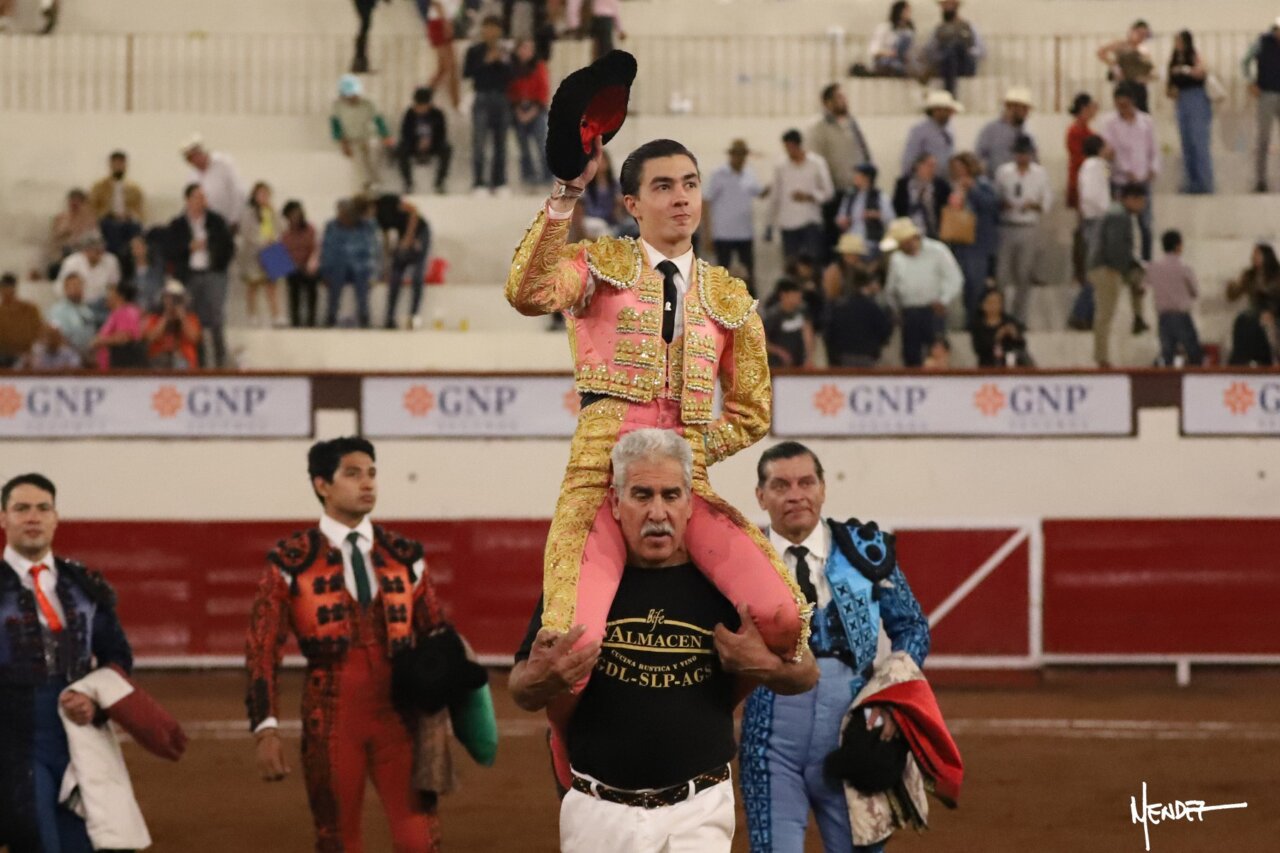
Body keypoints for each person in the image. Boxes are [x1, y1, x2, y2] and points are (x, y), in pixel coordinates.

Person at [505, 135, 808, 789]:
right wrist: (564, 197)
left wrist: (692, 450)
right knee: (572, 647)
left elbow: (753, 412)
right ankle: (570, 742)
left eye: (691, 183)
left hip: (686, 484)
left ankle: (704, 719)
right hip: (599, 479)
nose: (681, 197)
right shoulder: (598, 265)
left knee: (783, 618)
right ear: (633, 203)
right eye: (665, 185)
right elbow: (527, 292)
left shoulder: (729, 297)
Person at [509, 429, 819, 853]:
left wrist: (762, 664)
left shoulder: (724, 588)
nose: (658, 512)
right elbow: (521, 690)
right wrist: (545, 677)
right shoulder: (580, 587)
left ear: (691, 503)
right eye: (642, 495)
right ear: (615, 504)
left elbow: (806, 673)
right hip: (599, 814)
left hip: (699, 810)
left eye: (671, 495)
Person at [246, 437, 455, 852]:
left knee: (420, 840)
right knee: (338, 838)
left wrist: (449, 710)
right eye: (353, 474)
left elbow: (437, 636)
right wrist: (264, 726)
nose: (367, 484)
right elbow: (263, 648)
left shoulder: (405, 554)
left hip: (401, 715)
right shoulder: (289, 560)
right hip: (330, 716)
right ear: (322, 484)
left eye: (372, 474)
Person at [740, 442, 929, 853]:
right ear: (760, 495)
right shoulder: (740, 557)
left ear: (823, 488)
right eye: (780, 485)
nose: (795, 494)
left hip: (851, 733)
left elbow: (912, 625)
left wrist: (893, 698)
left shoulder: (865, 551)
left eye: (806, 482)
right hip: (768, 740)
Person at [0, 473, 135, 853]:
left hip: (81, 735)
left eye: (43, 508)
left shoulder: (84, 583)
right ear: (3, 519)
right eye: (21, 508)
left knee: (91, 842)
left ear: (56, 517)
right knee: (36, 839)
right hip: (12, 740)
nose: (33, 517)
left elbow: (118, 656)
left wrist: (95, 702)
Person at [166, 183, 235, 367]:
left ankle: (221, 362)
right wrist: (189, 248)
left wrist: (210, 248)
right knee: (192, 319)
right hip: (189, 276)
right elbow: (170, 250)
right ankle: (198, 362)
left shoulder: (216, 221)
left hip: (212, 274)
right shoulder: (178, 224)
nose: (201, 201)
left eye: (203, 197)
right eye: (197, 197)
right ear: (188, 200)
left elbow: (227, 247)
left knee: (216, 318)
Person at [883, 216, 962, 367]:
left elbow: (955, 278)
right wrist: (894, 308)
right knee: (910, 356)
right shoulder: (897, 258)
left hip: (933, 310)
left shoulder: (938, 251)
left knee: (936, 353)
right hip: (909, 312)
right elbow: (891, 289)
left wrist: (943, 300)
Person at [809, 83, 874, 262]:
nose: (844, 101)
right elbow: (816, 163)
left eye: (844, 97)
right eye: (839, 98)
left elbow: (863, 152)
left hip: (857, 191)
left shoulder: (851, 123)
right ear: (827, 102)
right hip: (835, 194)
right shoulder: (819, 128)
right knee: (834, 243)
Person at [1086, 182, 1149, 368]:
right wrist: (1119, 268)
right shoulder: (1119, 216)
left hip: (1110, 265)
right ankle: (1101, 357)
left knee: (1138, 278)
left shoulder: (1118, 213)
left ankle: (1138, 317)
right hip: (1108, 268)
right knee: (1105, 314)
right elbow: (1115, 246)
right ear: (1131, 199)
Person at [994, 135, 1052, 324]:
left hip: (1028, 225)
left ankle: (1019, 318)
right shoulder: (1004, 172)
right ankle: (1000, 315)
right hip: (1006, 225)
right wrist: (1005, 204)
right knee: (1001, 275)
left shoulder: (1040, 173)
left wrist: (1033, 205)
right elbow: (995, 198)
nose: (1022, 157)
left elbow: (1047, 202)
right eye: (1019, 153)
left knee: (1023, 275)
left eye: (1025, 153)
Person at [1100, 82, 1158, 261]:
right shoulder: (1110, 123)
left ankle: (1146, 263)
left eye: (1125, 105)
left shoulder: (1146, 122)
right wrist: (1126, 170)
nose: (1122, 109)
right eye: (1119, 105)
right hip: (1121, 181)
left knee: (1146, 225)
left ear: (1132, 102)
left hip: (1142, 180)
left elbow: (1153, 149)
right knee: (1120, 224)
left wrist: (1152, 169)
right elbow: (1111, 151)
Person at [822, 234, 893, 367]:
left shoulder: (861, 269)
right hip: (841, 317)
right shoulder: (834, 272)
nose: (855, 257)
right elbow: (830, 298)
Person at [705, 139, 766, 291]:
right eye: (737, 155)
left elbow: (759, 192)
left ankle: (750, 307)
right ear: (731, 155)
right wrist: (707, 233)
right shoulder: (718, 174)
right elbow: (706, 201)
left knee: (749, 274)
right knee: (722, 276)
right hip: (723, 234)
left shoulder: (749, 174)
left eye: (743, 155)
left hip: (745, 233)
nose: (740, 159)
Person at [463, 15, 514, 195]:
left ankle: (499, 182)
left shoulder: (506, 51)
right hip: (482, 97)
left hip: (501, 98)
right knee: (479, 142)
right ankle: (478, 182)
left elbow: (513, 75)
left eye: (494, 28)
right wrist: (486, 61)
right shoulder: (474, 51)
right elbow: (467, 73)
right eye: (487, 28)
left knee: (501, 142)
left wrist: (502, 61)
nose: (491, 32)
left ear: (500, 31)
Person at [946, 151, 999, 321]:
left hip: (978, 242)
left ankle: (975, 320)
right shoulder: (953, 186)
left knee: (976, 283)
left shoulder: (982, 184)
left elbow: (991, 205)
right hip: (959, 241)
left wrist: (973, 189)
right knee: (964, 283)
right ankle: (968, 317)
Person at [768, 129, 835, 265]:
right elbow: (775, 196)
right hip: (787, 222)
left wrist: (809, 196)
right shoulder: (781, 167)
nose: (789, 151)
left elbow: (829, 192)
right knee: (791, 263)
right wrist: (770, 223)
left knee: (813, 262)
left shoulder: (817, 163)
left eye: (791, 147)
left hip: (810, 220)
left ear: (798, 145)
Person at [1069, 134, 1113, 331]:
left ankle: (1088, 315)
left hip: (1093, 220)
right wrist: (1107, 211)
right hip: (1097, 221)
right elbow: (1092, 195)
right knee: (1096, 273)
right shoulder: (1096, 165)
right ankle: (1080, 313)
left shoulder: (1090, 166)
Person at [371, 193, 432, 329]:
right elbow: (386, 238)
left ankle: (414, 317)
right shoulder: (377, 218)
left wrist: (408, 238)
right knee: (395, 276)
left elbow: (414, 211)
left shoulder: (387, 201)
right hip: (403, 238)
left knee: (417, 275)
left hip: (420, 232)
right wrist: (387, 266)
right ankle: (389, 317)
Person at [1144, 230, 1202, 366]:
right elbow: (1195, 292)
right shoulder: (1184, 267)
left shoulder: (1154, 267)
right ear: (1178, 246)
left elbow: (1142, 287)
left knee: (1167, 355)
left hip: (1163, 317)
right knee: (1193, 353)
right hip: (1181, 316)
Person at [320, 197, 380, 328]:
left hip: (360, 266)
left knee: (362, 275)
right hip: (338, 265)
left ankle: (364, 316)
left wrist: (374, 273)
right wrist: (325, 271)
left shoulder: (367, 226)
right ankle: (331, 315)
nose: (342, 217)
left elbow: (373, 251)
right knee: (336, 274)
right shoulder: (331, 226)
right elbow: (327, 251)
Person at [1168, 30, 1214, 195]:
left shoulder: (1193, 55)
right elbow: (1171, 80)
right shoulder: (1174, 58)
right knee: (1186, 142)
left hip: (1196, 97)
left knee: (1199, 141)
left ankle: (1205, 182)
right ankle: (1191, 181)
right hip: (1181, 99)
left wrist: (1184, 69)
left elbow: (1200, 72)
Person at [89, 150, 146, 278]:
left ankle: (130, 265)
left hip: (128, 222)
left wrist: (129, 214)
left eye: (121, 163)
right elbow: (92, 209)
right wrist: (110, 214)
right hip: (107, 221)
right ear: (110, 165)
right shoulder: (99, 186)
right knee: (112, 228)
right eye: (116, 163)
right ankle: (117, 262)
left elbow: (141, 211)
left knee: (135, 229)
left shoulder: (134, 189)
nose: (118, 166)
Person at [331, 74, 395, 190]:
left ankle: (376, 181)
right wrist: (342, 142)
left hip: (369, 137)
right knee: (358, 156)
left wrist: (386, 136)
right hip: (352, 139)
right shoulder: (337, 106)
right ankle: (368, 182)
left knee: (374, 150)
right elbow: (335, 126)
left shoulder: (368, 104)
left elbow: (378, 120)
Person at [1066, 93, 1099, 298]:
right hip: (1080, 184)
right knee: (1081, 231)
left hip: (1085, 182)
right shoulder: (1075, 131)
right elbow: (1078, 157)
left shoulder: (1086, 131)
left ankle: (1084, 270)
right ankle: (1079, 271)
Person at [240, 181, 287, 327]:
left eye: (267, 194)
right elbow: (246, 232)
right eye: (261, 194)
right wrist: (261, 242)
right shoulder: (248, 212)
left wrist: (274, 212)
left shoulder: (273, 211)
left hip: (272, 248)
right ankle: (252, 315)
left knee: (272, 285)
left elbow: (283, 227)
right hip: (254, 250)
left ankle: (276, 315)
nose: (264, 197)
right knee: (253, 285)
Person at [1225, 243, 1280, 366]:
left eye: (1257, 254)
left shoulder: (1277, 275)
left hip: (1275, 313)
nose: (1254, 257)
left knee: (1268, 327)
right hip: (1256, 313)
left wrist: (1272, 313)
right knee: (1242, 320)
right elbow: (1233, 295)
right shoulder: (1249, 275)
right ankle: (1241, 361)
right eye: (1253, 254)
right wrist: (1232, 286)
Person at [508, 39, 553, 186]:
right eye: (523, 48)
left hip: (537, 110)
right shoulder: (513, 69)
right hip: (518, 109)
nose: (526, 52)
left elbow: (543, 90)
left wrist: (533, 111)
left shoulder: (539, 67)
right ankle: (528, 175)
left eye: (529, 49)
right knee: (523, 146)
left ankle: (547, 175)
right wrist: (517, 110)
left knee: (541, 143)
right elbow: (510, 90)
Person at [181, 134, 247, 233]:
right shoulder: (192, 175)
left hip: (229, 221)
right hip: (206, 226)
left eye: (195, 156)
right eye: (190, 160)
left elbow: (238, 192)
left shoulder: (224, 164)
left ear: (200, 152)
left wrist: (234, 219)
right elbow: (190, 199)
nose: (194, 162)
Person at [1243, 19, 1280, 193]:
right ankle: (1261, 180)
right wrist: (1251, 82)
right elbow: (1245, 62)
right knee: (1263, 139)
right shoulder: (1262, 43)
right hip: (1267, 94)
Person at [398, 86, 453, 194]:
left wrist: (430, 141)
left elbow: (442, 134)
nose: (421, 108)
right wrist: (417, 142)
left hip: (433, 144)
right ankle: (408, 183)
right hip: (414, 144)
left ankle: (440, 182)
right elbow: (404, 133)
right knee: (401, 149)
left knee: (446, 149)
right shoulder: (410, 114)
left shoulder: (437, 114)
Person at [925, 0, 985, 96]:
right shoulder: (938, 30)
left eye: (950, 4)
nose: (947, 7)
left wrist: (967, 52)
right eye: (945, 5)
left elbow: (981, 50)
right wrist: (944, 55)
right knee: (950, 52)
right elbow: (930, 52)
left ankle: (950, 92)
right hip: (946, 65)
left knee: (956, 46)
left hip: (965, 65)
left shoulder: (968, 26)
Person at [835, 163, 893, 258]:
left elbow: (891, 218)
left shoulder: (879, 197)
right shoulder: (849, 196)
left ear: (867, 178)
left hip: (870, 241)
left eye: (858, 175)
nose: (855, 177)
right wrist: (842, 221)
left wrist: (875, 215)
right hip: (851, 241)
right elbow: (840, 216)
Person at [974, 86, 1034, 178]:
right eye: (1024, 108)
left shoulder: (1027, 134)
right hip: (995, 183)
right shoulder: (991, 130)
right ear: (1011, 107)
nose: (1026, 113)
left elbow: (1033, 160)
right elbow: (979, 157)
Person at [900, 89, 962, 178]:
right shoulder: (920, 130)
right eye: (943, 110)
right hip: (927, 179)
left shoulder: (950, 130)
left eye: (948, 110)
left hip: (945, 180)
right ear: (934, 111)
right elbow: (910, 157)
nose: (947, 113)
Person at [143, 280, 203, 369]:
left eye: (176, 298)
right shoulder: (155, 318)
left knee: (180, 363)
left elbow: (194, 339)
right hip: (159, 359)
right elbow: (150, 338)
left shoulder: (191, 318)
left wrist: (182, 318)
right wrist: (165, 317)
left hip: (185, 360)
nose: (172, 301)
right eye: (168, 297)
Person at [1098, 20, 1154, 113]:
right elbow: (1101, 52)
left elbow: (1150, 69)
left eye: (1144, 35)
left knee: (1141, 112)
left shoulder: (1143, 50)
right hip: (1124, 84)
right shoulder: (1121, 45)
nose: (1141, 37)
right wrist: (1114, 66)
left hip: (1139, 85)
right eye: (1139, 33)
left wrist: (1146, 77)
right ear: (1132, 31)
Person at [56, 231, 121, 309]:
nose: (100, 253)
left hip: (103, 305)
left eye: (101, 250)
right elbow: (61, 287)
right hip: (77, 305)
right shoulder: (71, 262)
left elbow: (114, 286)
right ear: (86, 249)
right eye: (95, 250)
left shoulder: (111, 260)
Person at [282, 200, 321, 328]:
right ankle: (295, 320)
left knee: (312, 281)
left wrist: (311, 263)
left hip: (308, 265)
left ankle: (311, 319)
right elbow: (281, 252)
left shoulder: (310, 229)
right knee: (294, 283)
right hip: (292, 267)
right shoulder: (285, 232)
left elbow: (315, 249)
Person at [893, 152, 950, 241]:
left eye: (934, 166)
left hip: (933, 231)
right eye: (929, 165)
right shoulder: (904, 184)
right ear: (918, 165)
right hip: (909, 230)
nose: (932, 169)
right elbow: (897, 206)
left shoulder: (941, 185)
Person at [91, 280, 145, 370]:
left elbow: (125, 337)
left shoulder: (125, 312)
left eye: (110, 293)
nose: (106, 297)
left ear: (120, 296)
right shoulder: (115, 313)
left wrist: (99, 341)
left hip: (122, 367)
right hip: (109, 367)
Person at [969, 287, 1028, 366]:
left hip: (1010, 364)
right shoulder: (978, 325)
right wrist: (997, 337)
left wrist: (1015, 335)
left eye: (998, 302)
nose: (994, 306)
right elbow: (979, 349)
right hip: (987, 365)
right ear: (982, 305)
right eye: (991, 302)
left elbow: (1021, 345)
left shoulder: (1009, 321)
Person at [47, 189, 98, 279]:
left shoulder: (90, 220)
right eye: (72, 202)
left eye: (77, 202)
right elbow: (54, 240)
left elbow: (95, 240)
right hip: (64, 254)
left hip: (84, 254)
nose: (74, 205)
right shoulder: (61, 218)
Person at [419, 1, 461, 108]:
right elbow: (436, 3)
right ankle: (455, 103)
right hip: (439, 22)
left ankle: (424, 96)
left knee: (446, 68)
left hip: (444, 21)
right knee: (449, 67)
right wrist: (445, 23)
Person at [764, 279, 814, 369]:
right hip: (778, 366)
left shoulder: (803, 313)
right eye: (794, 294)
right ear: (784, 295)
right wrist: (780, 352)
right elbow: (763, 341)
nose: (799, 296)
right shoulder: (773, 316)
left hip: (799, 365)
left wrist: (809, 357)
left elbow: (808, 335)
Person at [46, 271, 96, 360]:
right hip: (67, 360)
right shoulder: (58, 310)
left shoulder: (86, 310)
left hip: (88, 357)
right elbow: (59, 337)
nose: (77, 288)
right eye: (74, 285)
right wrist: (77, 356)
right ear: (65, 288)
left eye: (80, 285)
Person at [0, 272, 43, 368]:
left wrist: (33, 352)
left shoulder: (30, 309)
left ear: (15, 288)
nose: (7, 291)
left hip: (26, 356)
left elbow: (39, 333)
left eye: (10, 287)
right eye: (4, 287)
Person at [580, 150, 626, 237]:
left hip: (612, 221)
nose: (601, 163)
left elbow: (618, 210)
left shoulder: (615, 184)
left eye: (603, 160)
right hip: (593, 221)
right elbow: (589, 208)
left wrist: (619, 204)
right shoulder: (587, 186)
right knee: (600, 225)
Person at [866, 1, 916, 77]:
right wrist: (890, 53)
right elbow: (874, 50)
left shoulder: (907, 31)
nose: (909, 14)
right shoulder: (884, 28)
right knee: (893, 65)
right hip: (886, 60)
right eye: (907, 11)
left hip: (901, 61)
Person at [17, 325, 83, 371]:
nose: (51, 339)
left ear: (60, 338)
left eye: (54, 336)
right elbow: (17, 369)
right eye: (48, 336)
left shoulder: (69, 353)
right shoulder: (35, 352)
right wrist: (27, 364)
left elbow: (76, 368)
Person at [350, 0, 380, 72]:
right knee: (365, 25)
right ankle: (360, 60)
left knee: (365, 26)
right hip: (364, 3)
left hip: (364, 3)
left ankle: (360, 60)